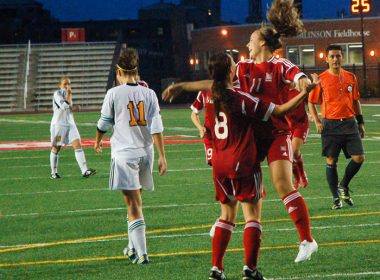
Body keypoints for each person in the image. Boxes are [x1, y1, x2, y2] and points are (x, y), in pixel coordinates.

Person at [163, 0, 317, 263]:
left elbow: (297, 76)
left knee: (282, 184)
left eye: (251, 39)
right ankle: (224, 220)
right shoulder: (243, 67)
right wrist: (184, 86)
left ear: (263, 44)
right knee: (237, 183)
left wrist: (304, 83)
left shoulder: (280, 65)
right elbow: (216, 83)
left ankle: (307, 240)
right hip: (250, 138)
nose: (247, 43)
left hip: (276, 134)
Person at [204, 52, 314, 280]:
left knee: (226, 216)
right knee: (252, 216)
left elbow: (208, 132)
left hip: (219, 164)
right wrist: (304, 92)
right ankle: (251, 270)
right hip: (242, 161)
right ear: (232, 72)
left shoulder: (209, 97)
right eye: (234, 65)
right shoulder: (241, 98)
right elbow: (279, 111)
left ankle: (216, 268)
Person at [94, 48, 167, 264]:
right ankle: (132, 247)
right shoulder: (150, 93)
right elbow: (157, 127)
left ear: (118, 70)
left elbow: (104, 123)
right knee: (136, 202)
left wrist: (98, 140)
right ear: (136, 69)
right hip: (146, 154)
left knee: (133, 205)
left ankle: (142, 254)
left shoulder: (113, 94)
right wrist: (163, 156)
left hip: (125, 155)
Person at [308, 44, 365, 210]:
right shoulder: (322, 79)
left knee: (359, 157)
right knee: (331, 160)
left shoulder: (350, 77)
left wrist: (360, 122)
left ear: (342, 57)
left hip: (349, 123)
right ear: (326, 59)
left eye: (338, 56)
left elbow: (355, 100)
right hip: (330, 125)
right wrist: (318, 122)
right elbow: (311, 102)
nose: (335, 59)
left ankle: (343, 185)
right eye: (332, 56)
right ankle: (335, 198)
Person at [49, 77, 96, 179]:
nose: (67, 86)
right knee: (56, 147)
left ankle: (84, 171)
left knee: (78, 145)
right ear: (60, 85)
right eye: (65, 84)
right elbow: (64, 106)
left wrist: (74, 107)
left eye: (69, 84)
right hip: (59, 125)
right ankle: (53, 173)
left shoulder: (68, 94)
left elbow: (68, 107)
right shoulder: (57, 94)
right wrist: (69, 94)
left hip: (70, 124)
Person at [285, 85, 310, 189]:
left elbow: (311, 101)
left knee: (293, 151)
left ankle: (302, 174)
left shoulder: (300, 88)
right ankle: (296, 177)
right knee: (287, 155)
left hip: (301, 124)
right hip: (286, 125)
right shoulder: (279, 90)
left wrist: (311, 113)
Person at [190, 90, 214, 165]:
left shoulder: (230, 90)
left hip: (226, 138)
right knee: (212, 163)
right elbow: (194, 114)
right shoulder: (204, 91)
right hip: (210, 136)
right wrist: (200, 128)